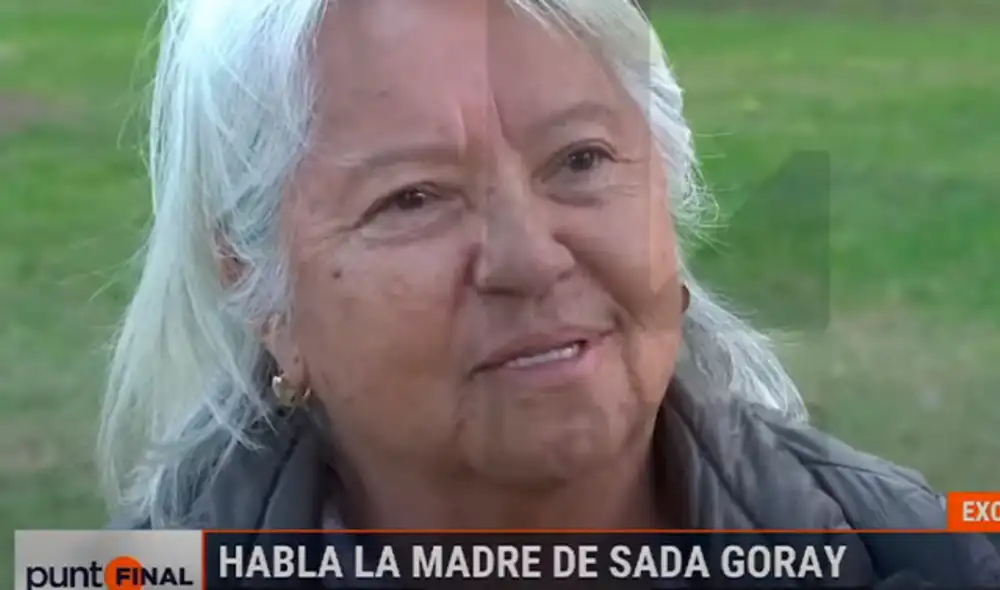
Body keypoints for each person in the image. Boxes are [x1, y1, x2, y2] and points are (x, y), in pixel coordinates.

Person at [99, 0, 999, 585]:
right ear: (262, 291)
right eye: (412, 198)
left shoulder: (923, 554)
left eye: (581, 161)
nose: (529, 260)